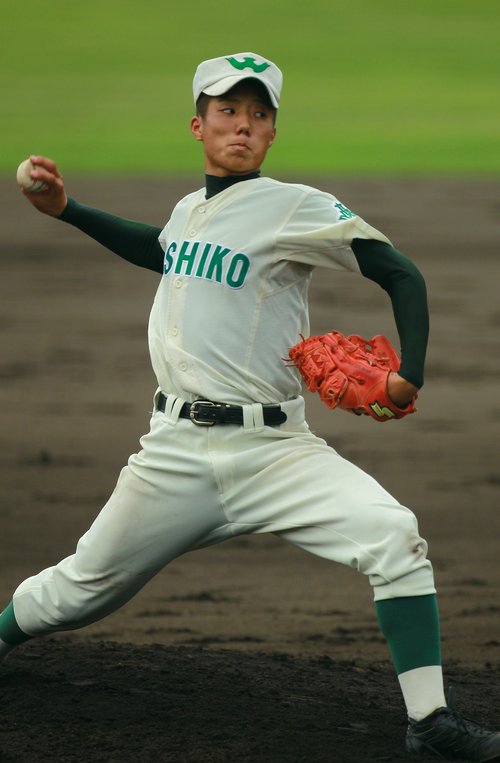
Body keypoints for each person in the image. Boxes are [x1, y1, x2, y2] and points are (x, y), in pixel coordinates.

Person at [1, 52, 499, 761]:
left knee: (394, 535)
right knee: (76, 591)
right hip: (172, 453)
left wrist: (409, 374)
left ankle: (430, 721)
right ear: (197, 125)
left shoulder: (295, 206)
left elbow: (400, 272)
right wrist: (67, 211)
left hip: (275, 453)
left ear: (272, 133)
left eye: (258, 114)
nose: (243, 125)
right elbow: (165, 249)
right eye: (228, 111)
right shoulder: (189, 210)